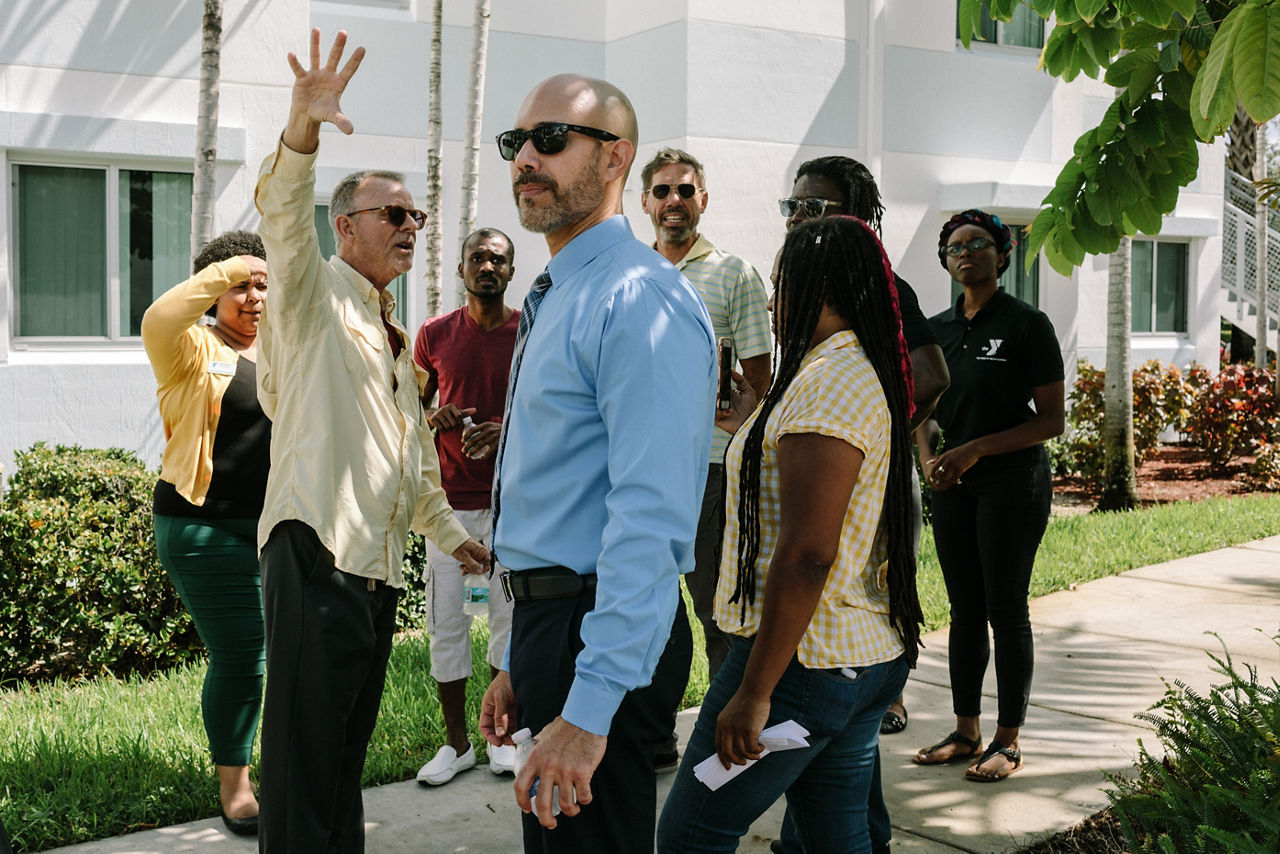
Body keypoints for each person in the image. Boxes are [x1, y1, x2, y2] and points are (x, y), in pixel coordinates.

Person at [253, 29, 489, 852]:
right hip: (317, 549)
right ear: (344, 226)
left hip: (374, 569)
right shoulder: (311, 295)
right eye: (394, 213)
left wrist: (456, 540)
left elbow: (411, 460)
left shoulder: (394, 336)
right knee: (300, 758)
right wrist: (303, 128)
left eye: (417, 215)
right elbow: (281, 217)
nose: (411, 226)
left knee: (340, 759)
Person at [478, 74, 716, 854]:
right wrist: (516, 655)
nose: (525, 161)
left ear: (617, 157)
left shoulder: (638, 298)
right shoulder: (560, 291)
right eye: (517, 144)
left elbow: (648, 516)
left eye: (551, 140)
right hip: (555, 627)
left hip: (601, 629)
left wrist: (589, 708)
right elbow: (553, 496)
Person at [656, 215, 924, 854]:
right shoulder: (845, 369)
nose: (773, 304)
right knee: (835, 842)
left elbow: (808, 554)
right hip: (852, 654)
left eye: (783, 286)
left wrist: (753, 693)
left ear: (823, 290)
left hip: (801, 662)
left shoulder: (828, 382)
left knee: (692, 835)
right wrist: (753, 420)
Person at [773, 154, 950, 854]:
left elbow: (934, 372)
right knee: (844, 770)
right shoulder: (811, 282)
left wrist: (870, 426)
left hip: (863, 476)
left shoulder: (880, 283)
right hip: (828, 466)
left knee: (859, 604)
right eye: (792, 206)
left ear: (856, 213)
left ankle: (879, 693)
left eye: (814, 207)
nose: (798, 218)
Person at [911, 208, 1065, 783]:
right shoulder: (935, 330)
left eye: (979, 244)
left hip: (1012, 484)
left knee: (1006, 608)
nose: (966, 252)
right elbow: (920, 410)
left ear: (1003, 256)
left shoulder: (1028, 324)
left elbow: (1051, 421)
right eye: (955, 247)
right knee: (964, 611)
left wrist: (975, 450)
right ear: (946, 262)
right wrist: (931, 458)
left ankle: (1008, 740)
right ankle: (965, 729)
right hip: (953, 483)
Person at [639, 146, 773, 770]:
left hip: (713, 469)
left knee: (716, 609)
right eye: (662, 191)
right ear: (645, 203)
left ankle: (727, 739)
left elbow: (759, 382)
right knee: (652, 609)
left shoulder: (734, 275)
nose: (674, 201)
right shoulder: (631, 275)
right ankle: (656, 734)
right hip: (643, 471)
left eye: (684, 191)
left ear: (703, 200)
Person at [141, 230, 270, 837]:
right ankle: (236, 786)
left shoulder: (280, 348)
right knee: (244, 655)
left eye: (261, 285)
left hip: (277, 525)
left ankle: (288, 766)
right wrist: (229, 267)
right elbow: (160, 314)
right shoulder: (189, 348)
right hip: (202, 526)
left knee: (289, 652)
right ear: (213, 291)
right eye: (239, 286)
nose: (252, 297)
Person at [412, 227, 520, 785]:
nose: (486, 267)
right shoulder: (432, 334)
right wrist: (436, 417)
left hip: (513, 505)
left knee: (506, 619)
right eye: (477, 257)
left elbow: (552, 413)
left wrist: (509, 432)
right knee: (446, 624)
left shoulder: (529, 331)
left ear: (509, 271)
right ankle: (456, 744)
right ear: (461, 269)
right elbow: (409, 413)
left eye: (497, 260)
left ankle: (501, 736)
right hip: (448, 510)